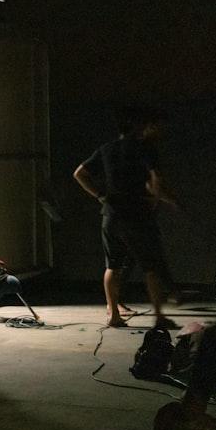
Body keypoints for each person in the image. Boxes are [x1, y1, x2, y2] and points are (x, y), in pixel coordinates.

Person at [73, 106, 180, 330]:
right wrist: (165, 200)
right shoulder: (145, 149)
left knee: (112, 266)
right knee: (150, 267)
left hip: (111, 215)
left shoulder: (106, 149)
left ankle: (113, 316)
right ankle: (159, 316)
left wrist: (100, 194)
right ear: (136, 125)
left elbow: (79, 173)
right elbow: (154, 184)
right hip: (137, 214)